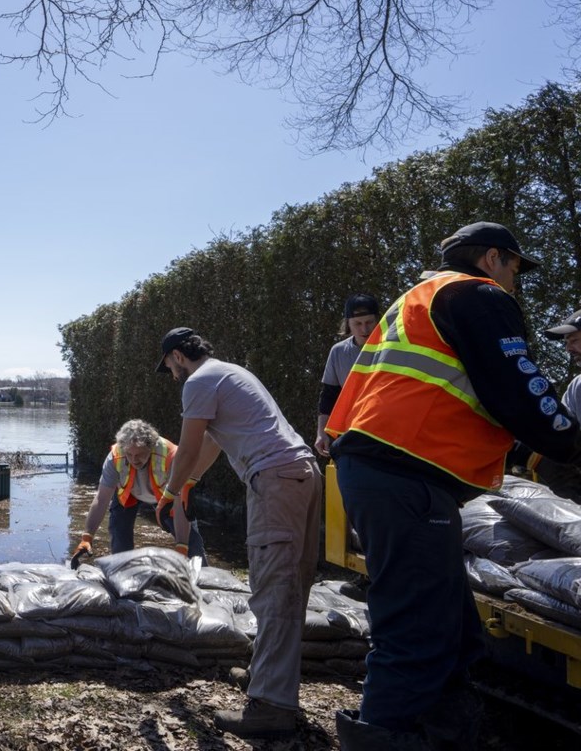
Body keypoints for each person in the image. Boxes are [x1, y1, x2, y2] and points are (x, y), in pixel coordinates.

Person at [326, 221, 581, 750]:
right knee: (417, 622)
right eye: (515, 268)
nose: (515, 282)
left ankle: (445, 731)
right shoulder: (477, 295)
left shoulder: (417, 299)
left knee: (453, 624)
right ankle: (384, 736)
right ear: (492, 258)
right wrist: (568, 442)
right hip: (405, 474)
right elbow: (520, 390)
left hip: (383, 468)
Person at [155, 327, 321, 740]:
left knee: (273, 589)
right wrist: (191, 484)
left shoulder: (198, 381)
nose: (171, 375)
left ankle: (271, 707)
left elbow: (188, 448)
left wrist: (170, 493)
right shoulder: (227, 373)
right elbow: (211, 442)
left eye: (169, 367)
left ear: (178, 356)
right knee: (291, 587)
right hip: (302, 474)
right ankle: (266, 677)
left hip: (275, 479)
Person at [72, 419, 206, 564]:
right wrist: (87, 537)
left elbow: (180, 504)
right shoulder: (114, 457)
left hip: (168, 497)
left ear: (151, 448)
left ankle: (203, 576)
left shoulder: (172, 457)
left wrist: (181, 546)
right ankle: (123, 572)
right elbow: (101, 499)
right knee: (119, 538)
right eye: (129, 454)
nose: (134, 460)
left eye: (140, 455)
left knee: (192, 545)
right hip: (129, 495)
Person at [314, 294, 380, 457]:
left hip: (384, 434)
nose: (364, 329)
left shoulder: (392, 348)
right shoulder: (338, 351)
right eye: (358, 323)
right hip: (350, 434)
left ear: (378, 321)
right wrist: (321, 433)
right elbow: (329, 395)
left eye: (369, 322)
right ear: (348, 324)